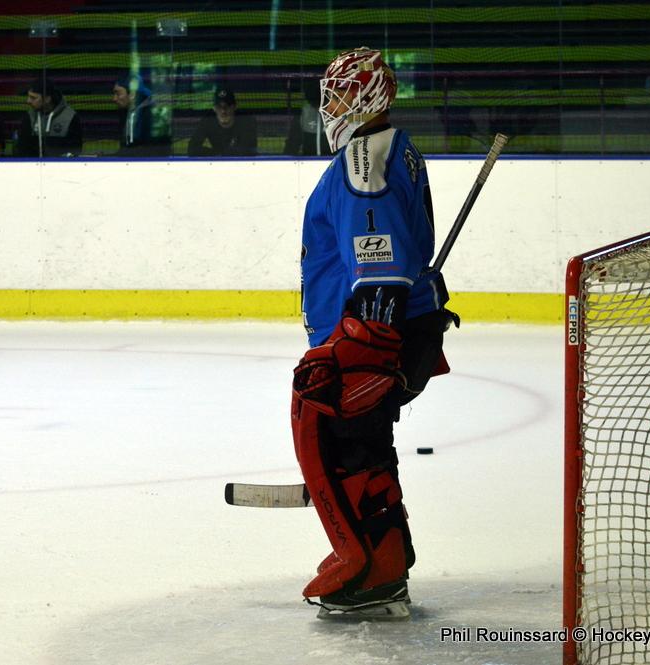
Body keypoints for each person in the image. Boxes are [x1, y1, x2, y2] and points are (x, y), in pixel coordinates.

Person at [292, 47, 456, 621]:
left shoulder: (364, 160)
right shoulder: (391, 149)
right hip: (386, 328)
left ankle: (374, 569)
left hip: (369, 332)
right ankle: (384, 558)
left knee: (348, 446)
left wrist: (364, 344)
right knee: (365, 446)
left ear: (367, 98)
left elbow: (380, 262)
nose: (328, 106)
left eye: (339, 94)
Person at [15, 77, 82, 157]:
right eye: (28, 96)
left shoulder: (70, 117)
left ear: (47, 99)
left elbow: (74, 151)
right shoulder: (29, 117)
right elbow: (22, 150)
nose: (28, 101)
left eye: (33, 98)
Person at [111, 73, 169, 156]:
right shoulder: (129, 114)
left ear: (132, 94)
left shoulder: (151, 116)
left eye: (118, 93)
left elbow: (147, 152)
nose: (114, 99)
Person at [188, 87, 257, 157]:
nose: (223, 111)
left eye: (227, 106)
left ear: (234, 107)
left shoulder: (246, 121)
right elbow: (192, 149)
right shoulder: (208, 121)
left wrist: (220, 154)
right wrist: (217, 154)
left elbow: (249, 151)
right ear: (214, 108)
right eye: (219, 107)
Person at [283, 78, 330, 156]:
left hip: (335, 163)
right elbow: (291, 146)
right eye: (315, 104)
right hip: (308, 163)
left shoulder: (341, 115)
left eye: (324, 103)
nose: (319, 108)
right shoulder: (303, 115)